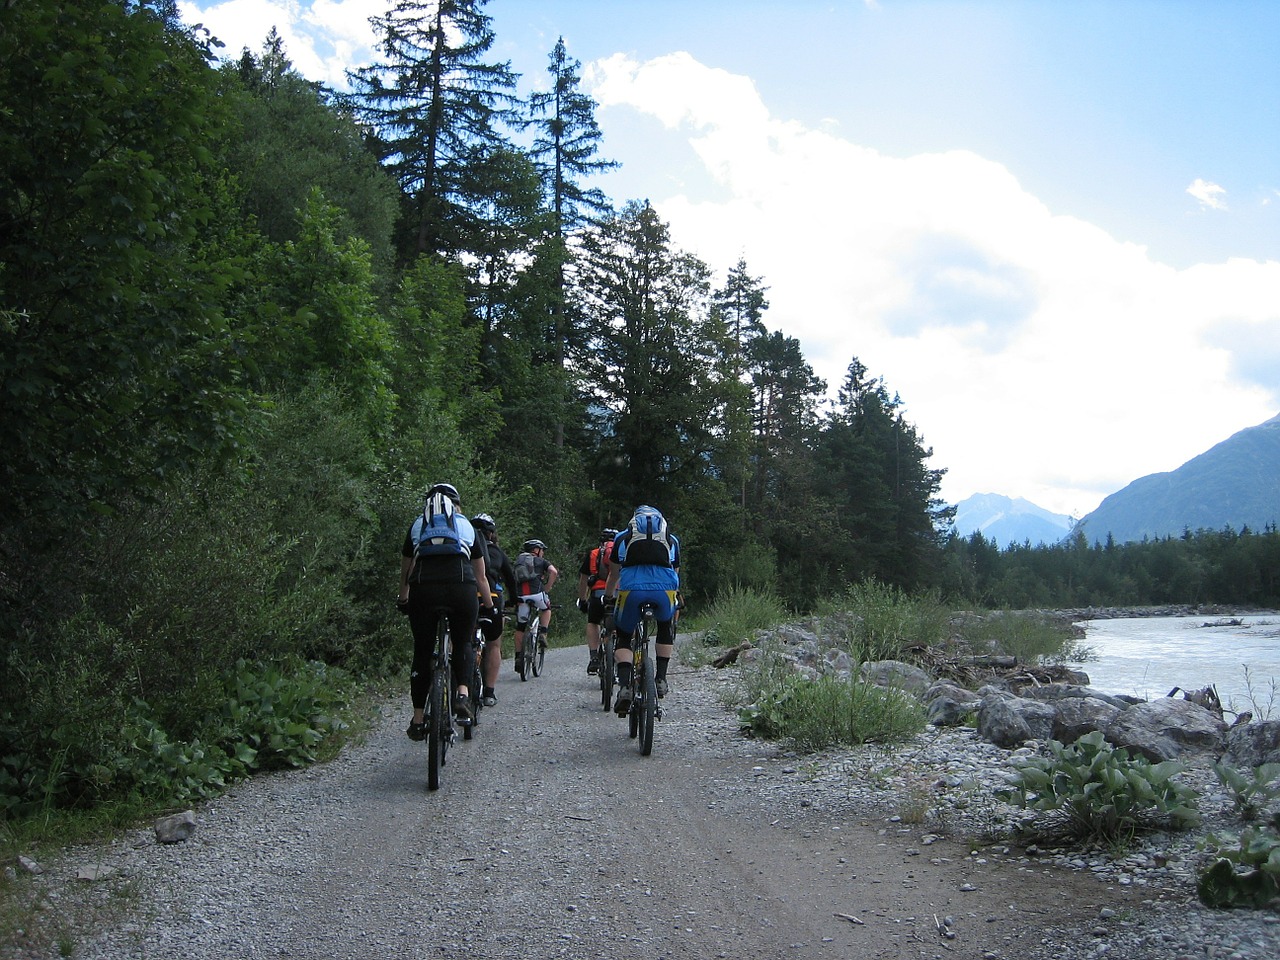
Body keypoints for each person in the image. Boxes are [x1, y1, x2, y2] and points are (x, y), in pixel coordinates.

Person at [399, 483, 494, 740]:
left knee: (422, 650)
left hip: (423, 589)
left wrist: (403, 597)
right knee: (463, 642)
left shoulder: (418, 525)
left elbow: (407, 570)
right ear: (457, 504)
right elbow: (481, 576)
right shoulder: (467, 527)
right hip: (461, 588)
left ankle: (418, 720)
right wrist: (489, 605)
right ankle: (462, 694)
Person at [604, 505, 681, 714]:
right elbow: (675, 572)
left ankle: (626, 687)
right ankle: (661, 680)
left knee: (623, 635)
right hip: (664, 591)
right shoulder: (672, 540)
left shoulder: (621, 538)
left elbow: (613, 575)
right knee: (666, 626)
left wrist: (609, 597)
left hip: (632, 591)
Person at [471, 513, 517, 706]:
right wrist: (513, 601)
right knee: (494, 645)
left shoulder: (464, 546)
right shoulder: (497, 552)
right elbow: (510, 579)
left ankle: (459, 686)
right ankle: (489, 692)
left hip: (467, 597)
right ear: (490, 534)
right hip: (493, 599)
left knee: (463, 640)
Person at [511, 539, 558, 677]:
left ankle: (518, 657)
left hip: (520, 597)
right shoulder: (541, 561)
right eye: (542, 550)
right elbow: (553, 572)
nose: (542, 553)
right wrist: (547, 588)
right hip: (537, 594)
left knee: (520, 627)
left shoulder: (518, 561)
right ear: (536, 550)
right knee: (546, 608)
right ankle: (543, 633)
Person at [576, 528, 616, 675]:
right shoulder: (624, 553)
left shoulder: (593, 554)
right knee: (622, 624)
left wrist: (582, 599)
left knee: (593, 622)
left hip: (597, 594)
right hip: (618, 594)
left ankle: (594, 657)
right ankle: (620, 657)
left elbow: (584, 579)